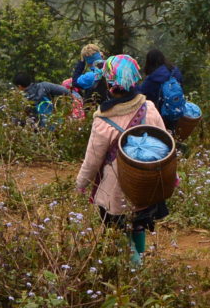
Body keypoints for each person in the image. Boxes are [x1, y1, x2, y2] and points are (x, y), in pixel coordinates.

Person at [74, 53, 170, 267]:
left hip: (116, 188)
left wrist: (80, 184)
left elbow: (92, 159)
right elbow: (165, 145)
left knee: (118, 230)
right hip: (145, 184)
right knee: (138, 224)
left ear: (109, 83)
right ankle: (141, 259)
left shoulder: (103, 119)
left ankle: (135, 269)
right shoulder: (150, 108)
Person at [137, 49, 186, 126]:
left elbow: (141, 93)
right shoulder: (175, 71)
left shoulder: (152, 79)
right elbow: (181, 85)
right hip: (177, 109)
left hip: (161, 115)